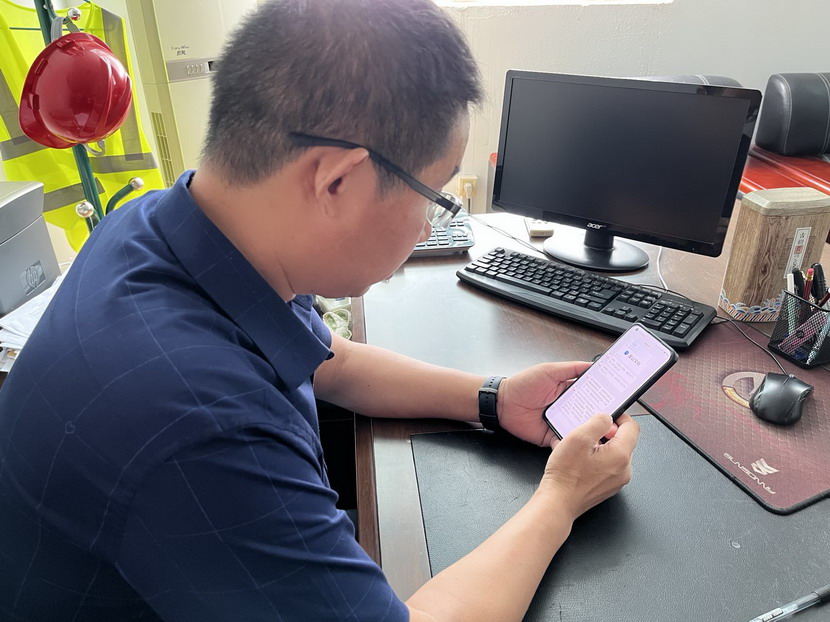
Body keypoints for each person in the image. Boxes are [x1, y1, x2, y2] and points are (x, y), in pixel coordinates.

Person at [0, 0, 639, 619]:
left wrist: (493, 397)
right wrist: (562, 497)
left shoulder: (159, 223)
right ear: (336, 181)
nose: (430, 226)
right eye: (435, 195)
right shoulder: (203, 425)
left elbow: (328, 359)